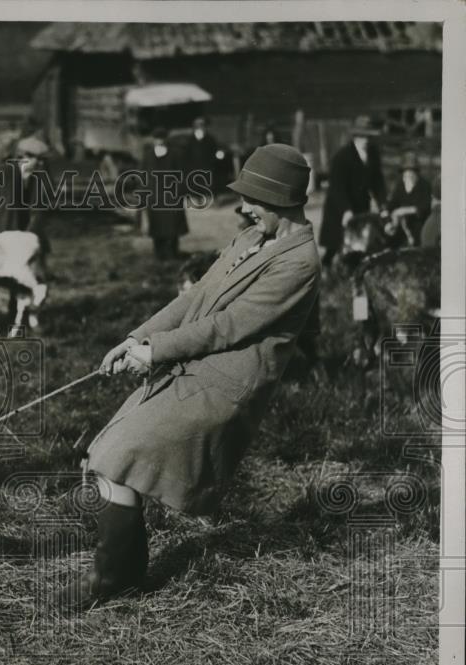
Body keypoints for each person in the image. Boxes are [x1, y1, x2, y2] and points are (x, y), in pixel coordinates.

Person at [56, 144, 321, 611]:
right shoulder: (249, 239)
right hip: (188, 367)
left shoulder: (299, 262)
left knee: (118, 454)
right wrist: (135, 338)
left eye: (252, 199)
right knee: (103, 453)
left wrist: (154, 351)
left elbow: (229, 325)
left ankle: (110, 580)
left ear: (279, 199)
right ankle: (126, 574)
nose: (242, 207)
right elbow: (193, 298)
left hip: (222, 385)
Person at [319, 115, 386, 267]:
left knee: (359, 246)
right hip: (340, 207)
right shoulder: (342, 157)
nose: (366, 140)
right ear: (355, 136)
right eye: (362, 136)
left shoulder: (374, 154)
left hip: (361, 206)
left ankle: (352, 277)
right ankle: (325, 272)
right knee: (335, 246)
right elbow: (337, 188)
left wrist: (382, 204)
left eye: (369, 136)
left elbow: (378, 183)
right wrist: (346, 210)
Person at [142, 128, 189, 261]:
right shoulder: (148, 155)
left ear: (166, 139)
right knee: (156, 226)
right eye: (157, 138)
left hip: (171, 197)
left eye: (162, 138)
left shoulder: (175, 154)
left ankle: (173, 253)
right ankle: (159, 254)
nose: (160, 141)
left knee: (173, 227)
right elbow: (143, 175)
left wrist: (179, 192)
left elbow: (181, 175)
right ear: (153, 140)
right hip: (154, 197)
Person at [384, 152, 432, 248]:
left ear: (416, 172)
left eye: (412, 171)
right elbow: (392, 204)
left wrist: (403, 211)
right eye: (406, 171)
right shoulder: (400, 185)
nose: (408, 175)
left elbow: (424, 208)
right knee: (388, 238)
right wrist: (388, 221)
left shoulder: (424, 185)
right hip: (402, 224)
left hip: (418, 223)